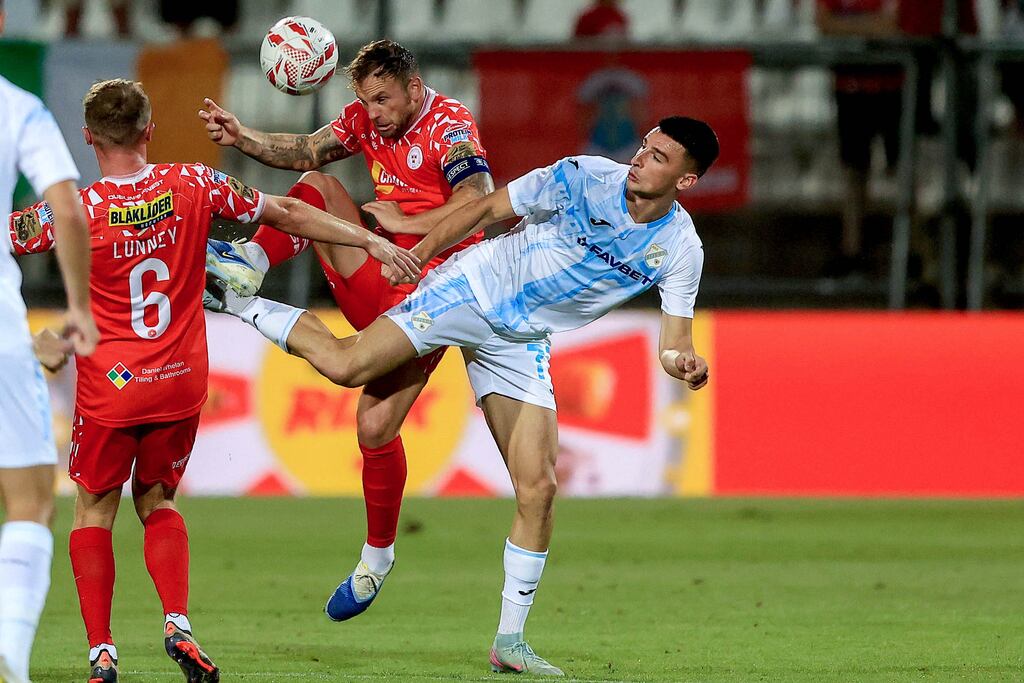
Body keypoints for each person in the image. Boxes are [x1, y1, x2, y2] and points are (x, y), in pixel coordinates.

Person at [210, 117, 716, 676]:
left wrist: (684, 366)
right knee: (348, 366)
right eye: (643, 146)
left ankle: (510, 642)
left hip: (520, 340)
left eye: (658, 157)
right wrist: (421, 252)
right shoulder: (583, 176)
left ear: (685, 181)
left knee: (540, 488)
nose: (640, 160)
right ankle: (237, 302)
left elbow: (674, 343)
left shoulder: (679, 248)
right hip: (469, 289)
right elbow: (485, 209)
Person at [8, 78, 417, 683]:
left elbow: (12, 234)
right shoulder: (195, 184)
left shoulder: (76, 209)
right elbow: (287, 211)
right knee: (159, 501)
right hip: (179, 379)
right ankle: (179, 624)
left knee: (94, 512)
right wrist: (367, 241)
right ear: (150, 130)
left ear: (89, 139)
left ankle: (102, 655)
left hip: (111, 385)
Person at [198, 38, 495, 620]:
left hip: (433, 291)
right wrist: (243, 138)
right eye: (365, 100)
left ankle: (376, 560)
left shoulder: (449, 124)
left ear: (414, 87)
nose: (374, 113)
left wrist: (409, 221)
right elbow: (308, 149)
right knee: (320, 190)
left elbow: (477, 199)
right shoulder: (365, 119)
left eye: (383, 100)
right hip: (378, 268)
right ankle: (246, 271)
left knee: (375, 424)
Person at [0, 2, 99, 682]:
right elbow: (66, 205)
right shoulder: (18, 109)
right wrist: (79, 305)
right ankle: (11, 653)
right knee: (31, 498)